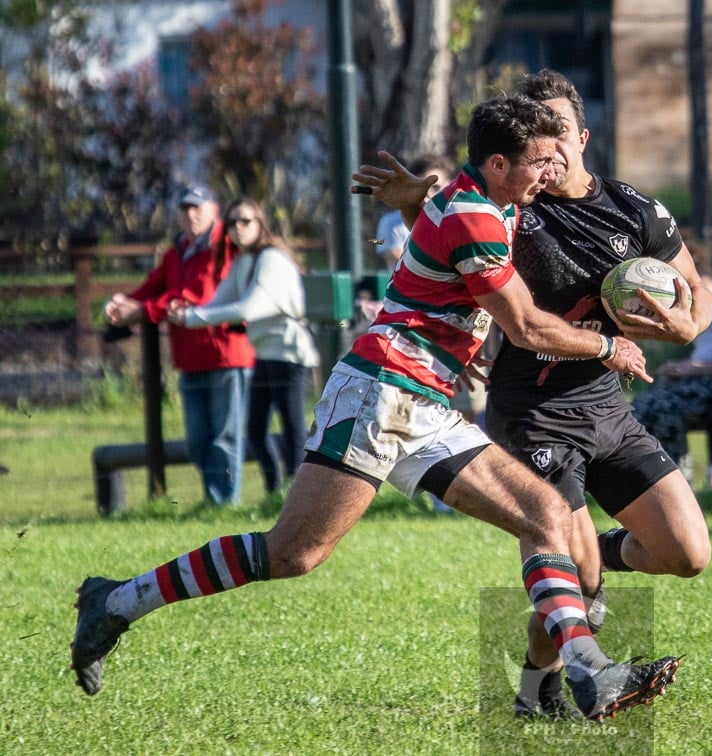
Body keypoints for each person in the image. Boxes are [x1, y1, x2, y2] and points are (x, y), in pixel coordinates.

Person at [72, 94, 681, 723]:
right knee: (293, 553)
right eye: (538, 161)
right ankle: (117, 602)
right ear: (499, 164)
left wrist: (422, 214)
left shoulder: (489, 199)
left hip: (422, 401)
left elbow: (443, 241)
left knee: (544, 512)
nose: (548, 173)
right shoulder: (474, 215)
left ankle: (588, 672)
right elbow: (525, 325)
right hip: (379, 392)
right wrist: (609, 345)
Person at [354, 69, 712, 721]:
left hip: (608, 409)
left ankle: (589, 559)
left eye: (560, 132)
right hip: (533, 413)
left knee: (687, 554)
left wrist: (691, 323)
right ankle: (533, 694)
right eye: (538, 137)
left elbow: (695, 284)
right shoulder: (511, 204)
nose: (550, 151)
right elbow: (448, 241)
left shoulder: (634, 208)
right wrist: (413, 207)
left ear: (583, 135)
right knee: (582, 595)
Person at [103, 185, 255, 504]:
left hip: (226, 355)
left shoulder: (225, 247)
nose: (191, 214)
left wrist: (141, 311)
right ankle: (214, 500)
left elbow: (197, 297)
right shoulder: (177, 251)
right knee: (197, 441)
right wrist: (123, 304)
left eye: (198, 207)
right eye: (185, 208)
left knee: (225, 438)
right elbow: (153, 287)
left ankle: (224, 504)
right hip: (189, 358)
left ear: (214, 210)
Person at [168, 198, 319, 495]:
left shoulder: (272, 258)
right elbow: (218, 303)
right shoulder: (243, 261)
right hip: (264, 354)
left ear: (260, 224)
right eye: (232, 222)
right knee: (255, 430)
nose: (238, 228)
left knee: (292, 427)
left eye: (246, 221)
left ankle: (299, 493)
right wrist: (187, 313)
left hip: (290, 355)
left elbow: (249, 308)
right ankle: (275, 491)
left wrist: (192, 318)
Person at [632, 263, 712, 493]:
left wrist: (692, 368)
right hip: (692, 380)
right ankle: (647, 483)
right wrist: (682, 368)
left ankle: (679, 484)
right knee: (640, 406)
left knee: (665, 410)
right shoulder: (698, 315)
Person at [373, 154, 455, 271]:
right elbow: (404, 265)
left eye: (435, 187)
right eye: (420, 187)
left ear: (449, 186)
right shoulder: (390, 222)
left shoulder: (459, 220)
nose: (427, 193)